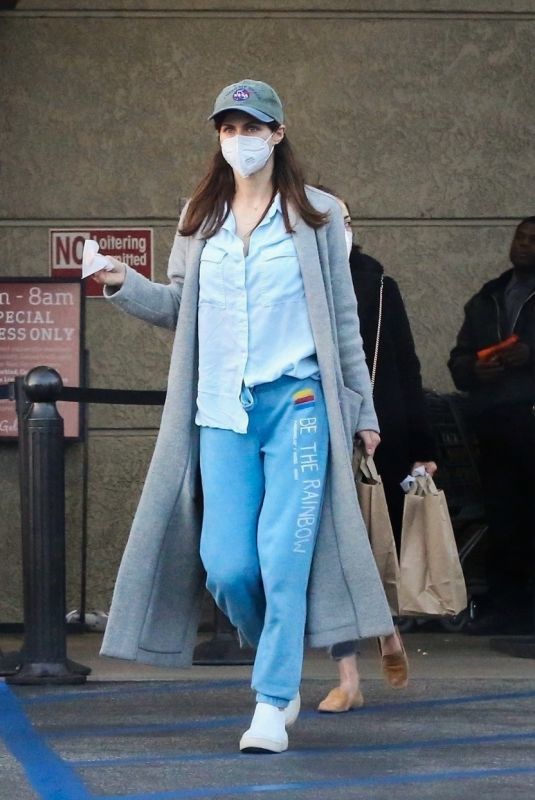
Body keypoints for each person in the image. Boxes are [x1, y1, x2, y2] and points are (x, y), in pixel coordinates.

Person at [93, 79, 394, 753]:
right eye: (227, 129)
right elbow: (180, 308)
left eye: (251, 127)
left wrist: (363, 409)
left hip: (300, 403)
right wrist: (122, 285)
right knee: (227, 566)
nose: (239, 140)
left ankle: (269, 703)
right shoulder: (198, 218)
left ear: (277, 134)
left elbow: (343, 322)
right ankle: (279, 666)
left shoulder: (319, 215)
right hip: (221, 410)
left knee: (282, 560)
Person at [314, 189, 437, 713]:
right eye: (324, 220)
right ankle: (349, 675)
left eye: (344, 220)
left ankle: (384, 630)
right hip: (309, 428)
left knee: (367, 547)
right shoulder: (297, 279)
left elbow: (406, 367)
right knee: (328, 555)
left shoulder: (379, 287)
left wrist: (422, 448)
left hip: (374, 435)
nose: (337, 228)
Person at [448, 217, 535, 635]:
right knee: (505, 517)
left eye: (533, 240)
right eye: (520, 237)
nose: (523, 245)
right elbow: (459, 360)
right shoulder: (489, 297)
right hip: (497, 424)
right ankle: (506, 609)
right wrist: (474, 369)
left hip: (528, 415)